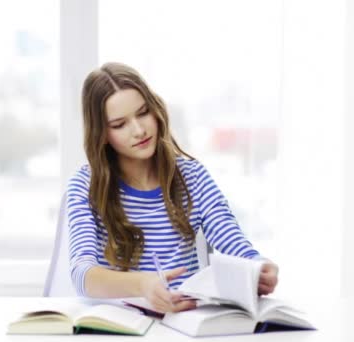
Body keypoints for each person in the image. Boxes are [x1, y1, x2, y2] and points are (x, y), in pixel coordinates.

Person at [66, 62, 278, 313]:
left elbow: (232, 240)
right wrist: (143, 285)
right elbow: (82, 275)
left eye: (143, 112)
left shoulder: (193, 177)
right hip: (120, 326)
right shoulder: (85, 185)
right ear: (101, 133)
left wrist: (259, 266)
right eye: (119, 124)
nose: (139, 130)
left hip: (183, 323)